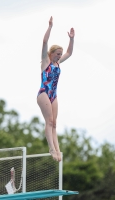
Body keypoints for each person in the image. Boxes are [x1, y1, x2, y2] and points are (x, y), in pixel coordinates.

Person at [37, 16, 75, 162]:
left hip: (54, 94)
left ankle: (58, 150)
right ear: (51, 53)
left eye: (60, 55)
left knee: (54, 123)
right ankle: (51, 148)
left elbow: (70, 53)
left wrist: (71, 39)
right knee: (49, 121)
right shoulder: (46, 61)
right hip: (44, 93)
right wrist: (50, 27)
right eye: (57, 54)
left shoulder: (58, 63)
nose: (59, 56)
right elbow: (45, 41)